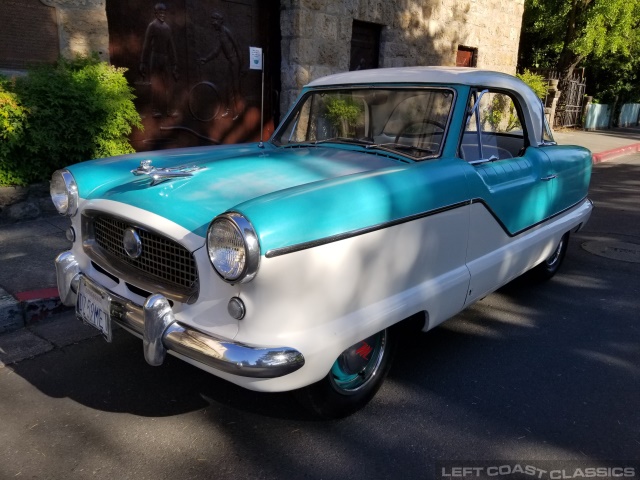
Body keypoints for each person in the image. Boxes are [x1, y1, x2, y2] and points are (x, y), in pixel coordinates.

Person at [198, 12, 242, 120]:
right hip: (230, 62)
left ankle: (238, 113)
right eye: (212, 20)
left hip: (235, 62)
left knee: (235, 88)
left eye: (214, 20)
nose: (213, 23)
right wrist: (206, 59)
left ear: (220, 21)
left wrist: (241, 65)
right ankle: (229, 110)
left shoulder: (227, 31)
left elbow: (237, 46)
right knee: (228, 87)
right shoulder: (220, 34)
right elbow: (216, 51)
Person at [139, 3, 179, 118]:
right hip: (154, 57)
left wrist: (175, 63)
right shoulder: (152, 26)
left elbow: (171, 46)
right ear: (155, 13)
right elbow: (146, 44)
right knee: (155, 84)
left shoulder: (167, 28)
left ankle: (169, 109)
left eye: (164, 13)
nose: (162, 15)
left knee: (168, 84)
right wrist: (143, 62)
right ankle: (154, 109)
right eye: (160, 13)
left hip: (165, 58)